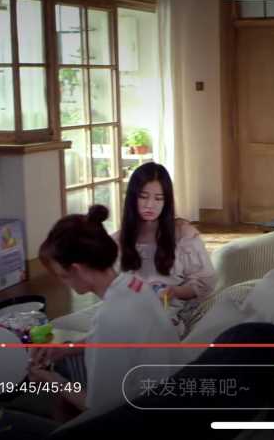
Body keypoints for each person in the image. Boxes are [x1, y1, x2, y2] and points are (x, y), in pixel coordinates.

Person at [31, 205, 179, 414]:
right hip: (168, 394)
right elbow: (121, 340)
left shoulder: (109, 318)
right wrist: (66, 349)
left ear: (77, 269)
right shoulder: (135, 285)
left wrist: (50, 380)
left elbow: (97, 410)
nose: (64, 283)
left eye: (62, 276)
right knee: (65, 366)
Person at [115, 162, 216, 336]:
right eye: (143, 197)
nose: (150, 205)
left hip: (170, 313)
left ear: (166, 201)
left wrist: (174, 291)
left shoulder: (183, 235)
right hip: (130, 311)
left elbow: (204, 283)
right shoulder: (118, 241)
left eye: (158, 199)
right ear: (132, 198)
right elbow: (114, 287)